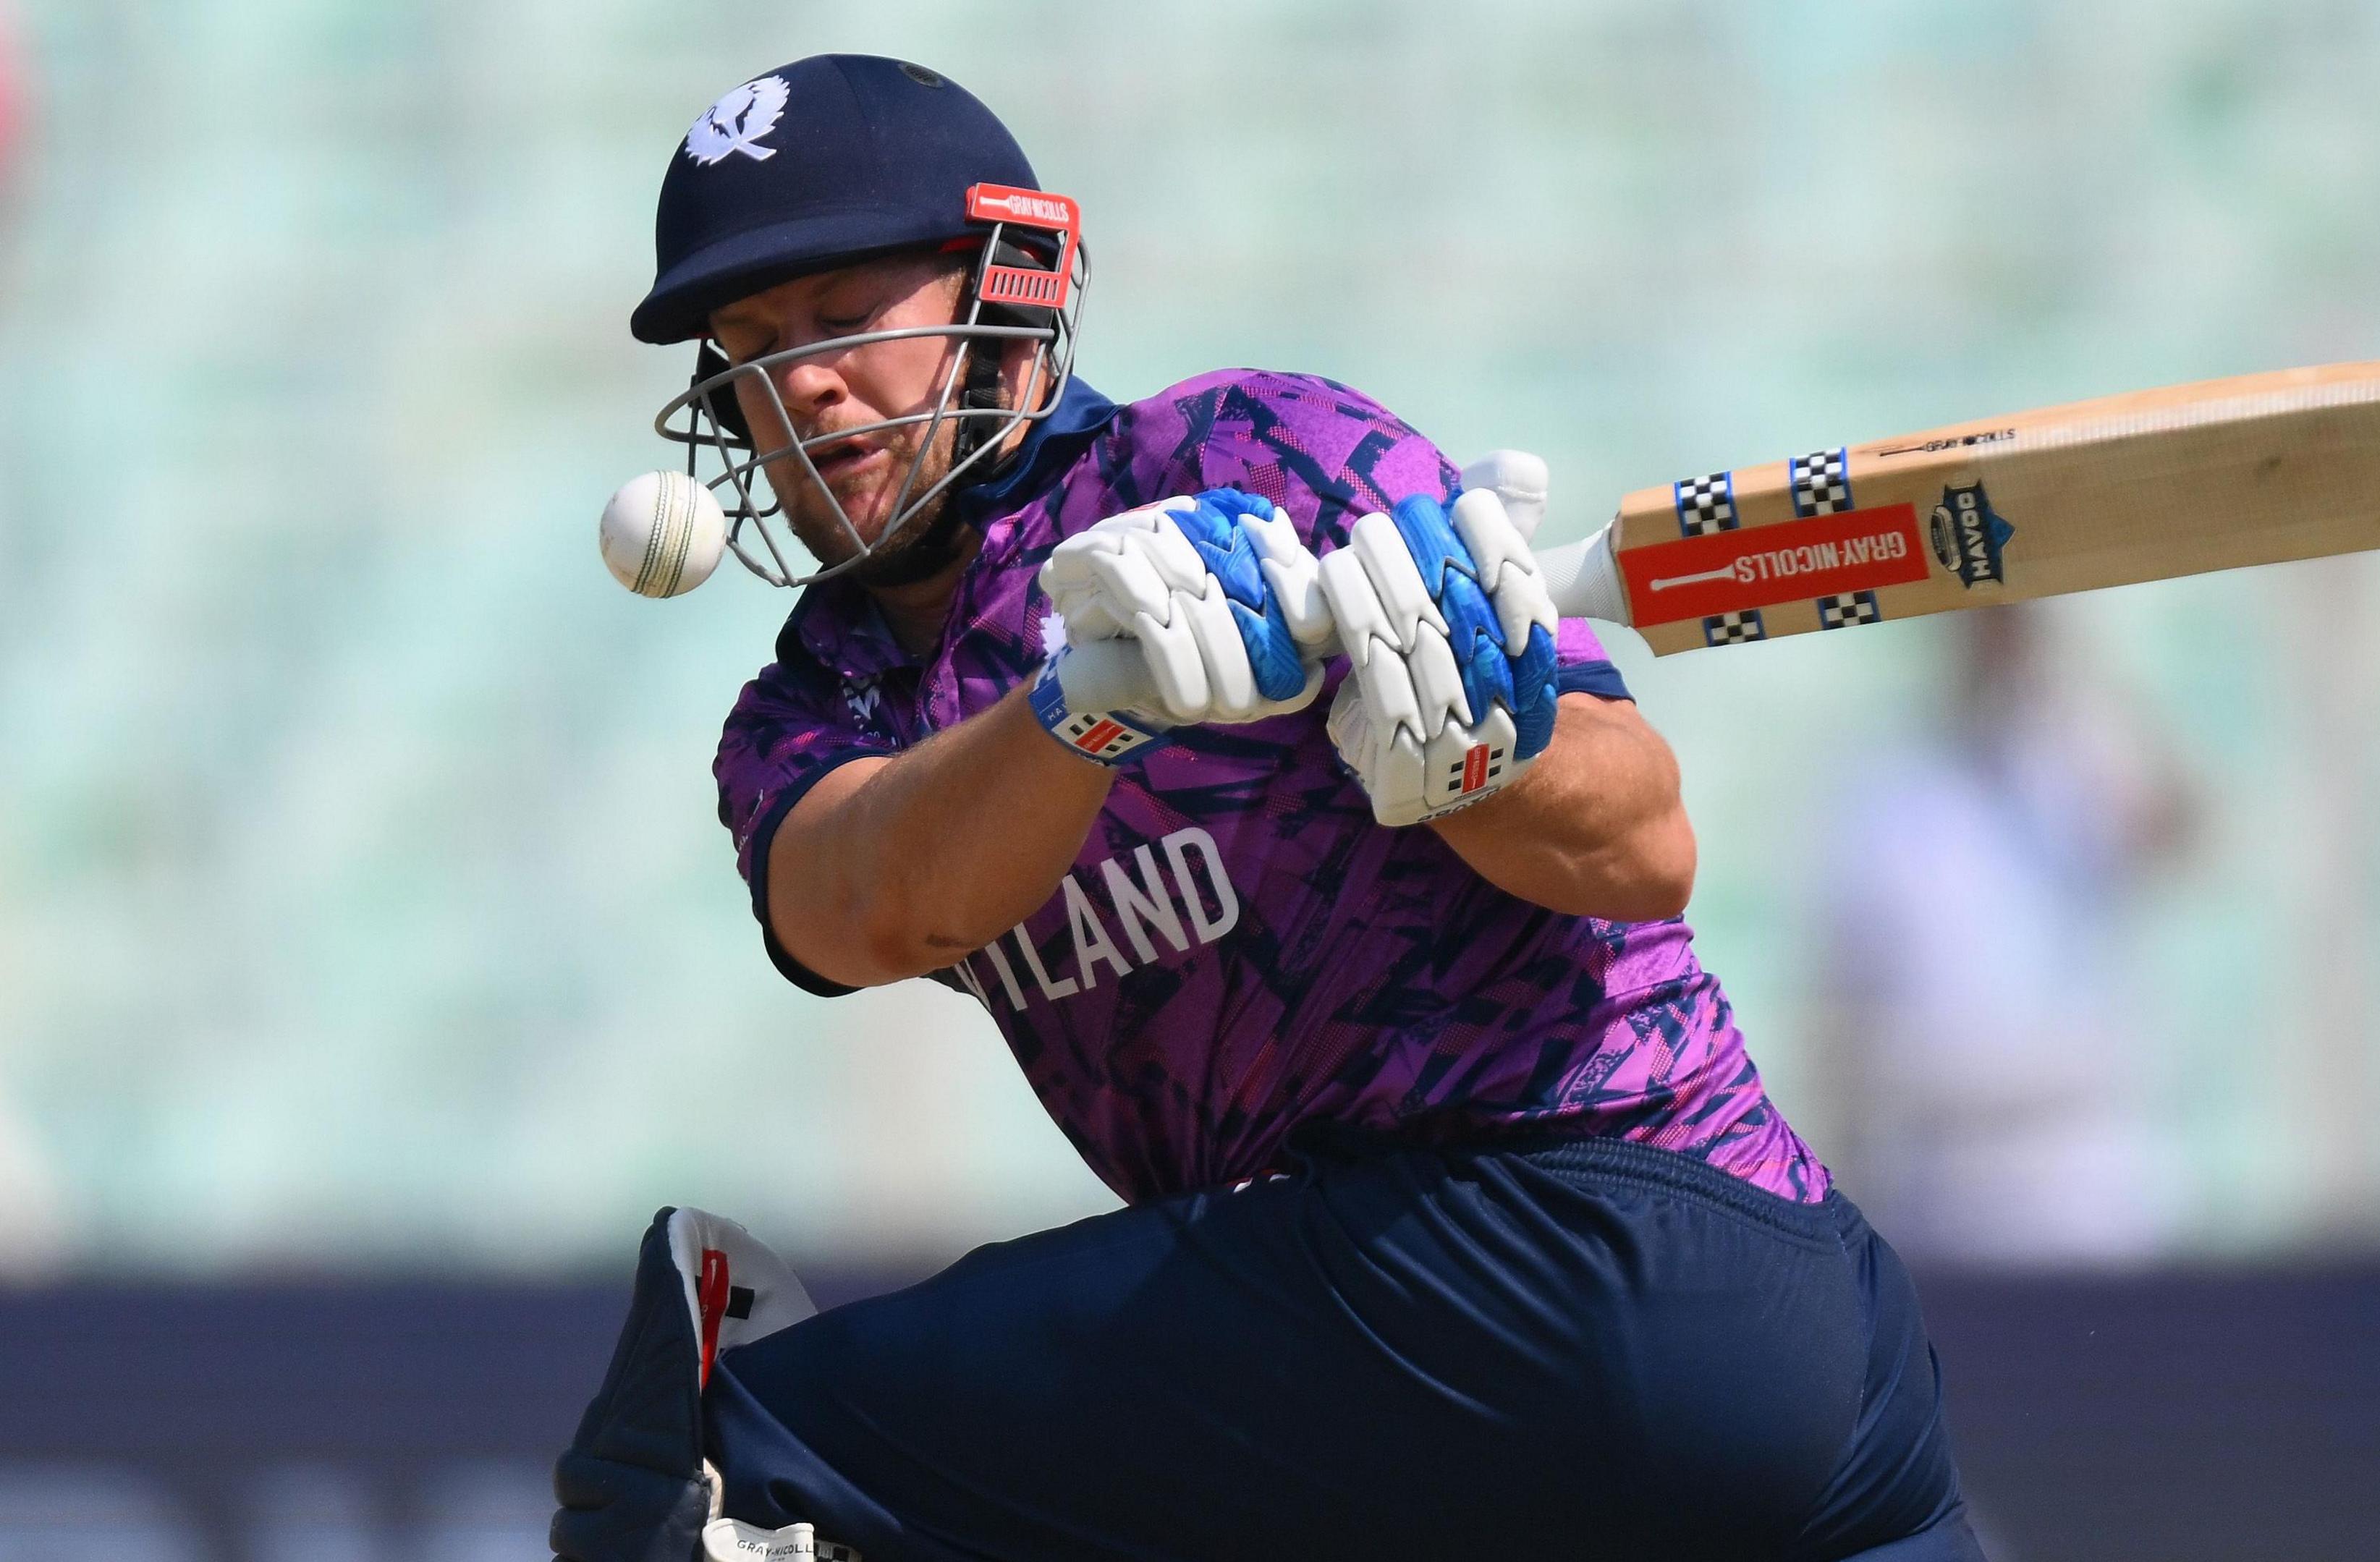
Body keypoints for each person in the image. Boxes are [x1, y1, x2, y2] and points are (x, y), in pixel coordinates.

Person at [551, 55, 1981, 1562]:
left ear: (1014, 287)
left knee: (733, 1454)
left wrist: (1479, 754)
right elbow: (873, 899)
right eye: (753, 347)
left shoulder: (1255, 454)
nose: (801, 384)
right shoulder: (815, 709)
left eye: (844, 316)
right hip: (1566, 1380)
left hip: (1613, 1245)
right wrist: (1086, 710)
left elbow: (1645, 846)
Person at [1812, 605, 2191, 1265]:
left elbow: (2180, 826)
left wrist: (2080, 678)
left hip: (2078, 1176)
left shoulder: (2079, 768)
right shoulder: (1893, 794)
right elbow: (1843, 1013)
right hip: (1940, 1177)